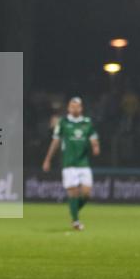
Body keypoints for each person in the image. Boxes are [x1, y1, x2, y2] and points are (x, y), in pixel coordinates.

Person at [42, 96, 100, 230]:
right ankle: (75, 221)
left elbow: (93, 137)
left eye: (77, 106)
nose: (74, 108)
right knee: (73, 193)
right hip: (69, 164)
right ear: (68, 108)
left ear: (81, 108)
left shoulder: (87, 122)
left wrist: (96, 146)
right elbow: (55, 141)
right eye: (72, 106)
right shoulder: (63, 122)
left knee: (87, 193)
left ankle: (73, 210)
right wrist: (47, 159)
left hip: (83, 163)